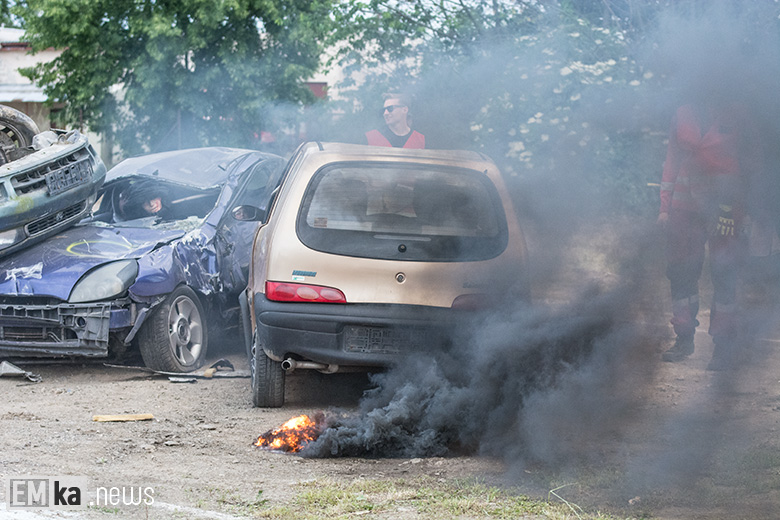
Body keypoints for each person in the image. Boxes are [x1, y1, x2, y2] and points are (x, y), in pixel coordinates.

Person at [657, 95, 759, 370]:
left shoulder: (738, 111)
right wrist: (664, 208)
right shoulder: (683, 112)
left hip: (725, 209)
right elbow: (672, 161)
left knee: (724, 273)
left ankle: (723, 346)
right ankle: (683, 338)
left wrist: (742, 208)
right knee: (681, 272)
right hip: (684, 208)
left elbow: (750, 166)